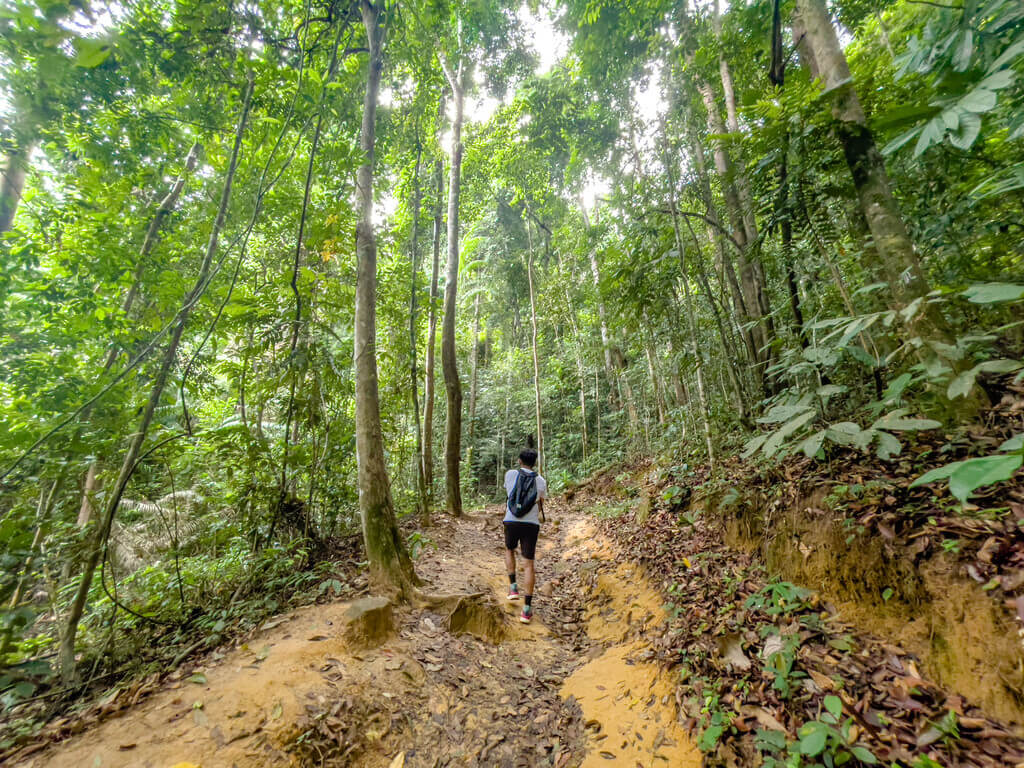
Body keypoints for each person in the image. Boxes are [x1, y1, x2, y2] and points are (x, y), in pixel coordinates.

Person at [503, 448, 547, 624]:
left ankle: (513, 588)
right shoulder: (540, 480)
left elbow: (509, 495)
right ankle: (527, 609)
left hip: (511, 520)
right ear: (534, 462)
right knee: (529, 564)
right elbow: (540, 502)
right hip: (531, 524)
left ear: (520, 460)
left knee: (509, 549)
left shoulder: (511, 474)